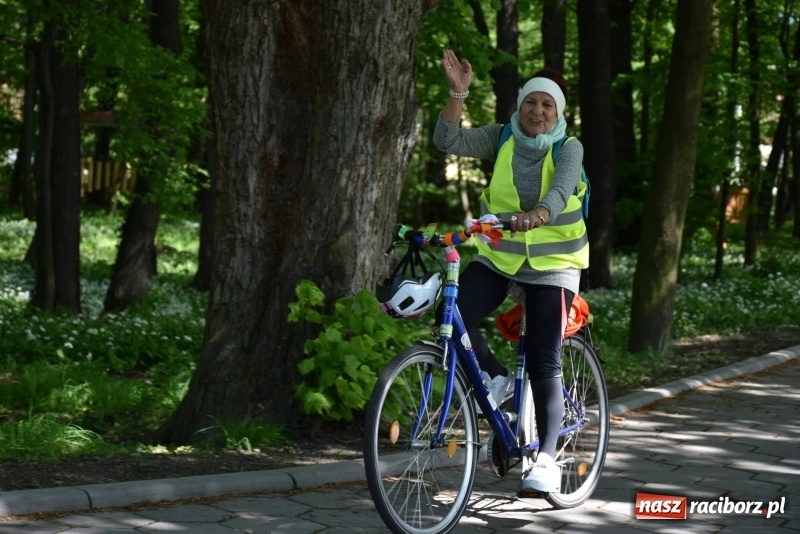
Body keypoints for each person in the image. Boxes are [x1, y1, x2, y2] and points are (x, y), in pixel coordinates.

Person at [433, 49, 588, 494]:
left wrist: (540, 213)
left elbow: (561, 190)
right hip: (501, 255)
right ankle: (497, 380)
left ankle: (545, 459)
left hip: (553, 261)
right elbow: (448, 141)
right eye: (530, 102)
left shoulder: (568, 147)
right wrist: (458, 93)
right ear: (519, 107)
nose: (537, 111)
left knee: (543, 356)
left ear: (557, 113)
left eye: (547, 105)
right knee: (454, 311)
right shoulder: (503, 137)